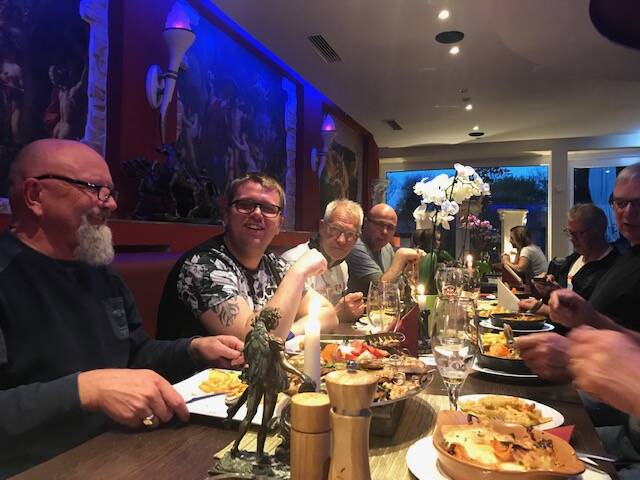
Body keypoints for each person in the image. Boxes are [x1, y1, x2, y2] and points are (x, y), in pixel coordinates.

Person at [0, 139, 245, 477]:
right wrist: (86, 390)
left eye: (110, 192)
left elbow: (135, 353)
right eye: (95, 189)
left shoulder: (102, 274)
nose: (112, 203)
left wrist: (194, 350)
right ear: (34, 196)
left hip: (119, 449)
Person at [157, 173, 338, 341]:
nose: (257, 214)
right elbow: (252, 341)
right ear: (226, 216)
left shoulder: (274, 265)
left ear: (279, 225)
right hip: (200, 367)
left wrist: (288, 333)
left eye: (268, 208)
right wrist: (298, 272)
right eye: (245, 205)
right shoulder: (203, 265)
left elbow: (328, 314)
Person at [516, 162, 640, 378]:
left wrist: (573, 356)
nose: (628, 212)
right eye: (620, 203)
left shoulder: (614, 262)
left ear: (599, 230)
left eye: (638, 203)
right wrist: (567, 306)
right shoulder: (627, 259)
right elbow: (604, 324)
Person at [519, 203, 619, 316]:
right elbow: (566, 300)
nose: (572, 239)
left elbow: (594, 316)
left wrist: (545, 310)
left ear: (599, 231)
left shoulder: (615, 269)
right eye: (570, 232)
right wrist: (550, 290)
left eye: (580, 233)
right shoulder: (571, 261)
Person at [282, 198, 365, 322]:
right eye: (335, 229)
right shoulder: (292, 263)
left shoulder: (342, 265)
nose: (342, 240)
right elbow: (286, 323)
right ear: (321, 227)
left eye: (350, 234)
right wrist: (337, 313)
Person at [345, 203, 423, 294]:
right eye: (380, 224)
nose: (384, 232)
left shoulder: (386, 247)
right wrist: (400, 256)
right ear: (365, 223)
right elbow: (378, 291)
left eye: (390, 227)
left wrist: (407, 269)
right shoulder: (355, 247)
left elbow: (394, 286)